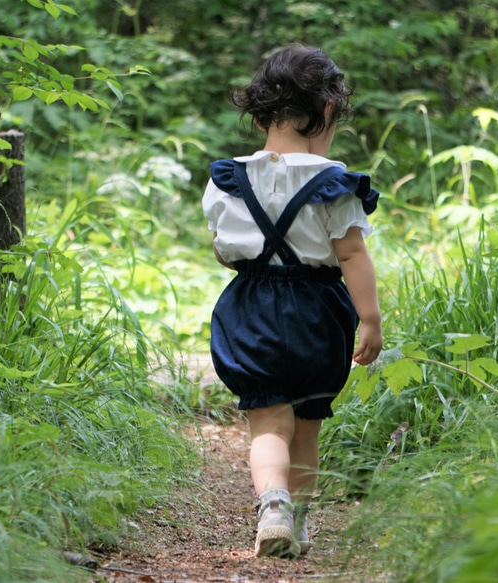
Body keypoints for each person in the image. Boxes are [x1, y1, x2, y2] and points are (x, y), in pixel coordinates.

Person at [202, 43, 383, 559]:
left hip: (251, 309)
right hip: (317, 314)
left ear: (259, 112)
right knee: (307, 423)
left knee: (268, 421)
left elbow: (222, 244)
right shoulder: (332, 183)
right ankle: (299, 522)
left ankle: (273, 508)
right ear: (328, 108)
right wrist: (369, 319)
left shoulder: (230, 179)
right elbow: (351, 256)